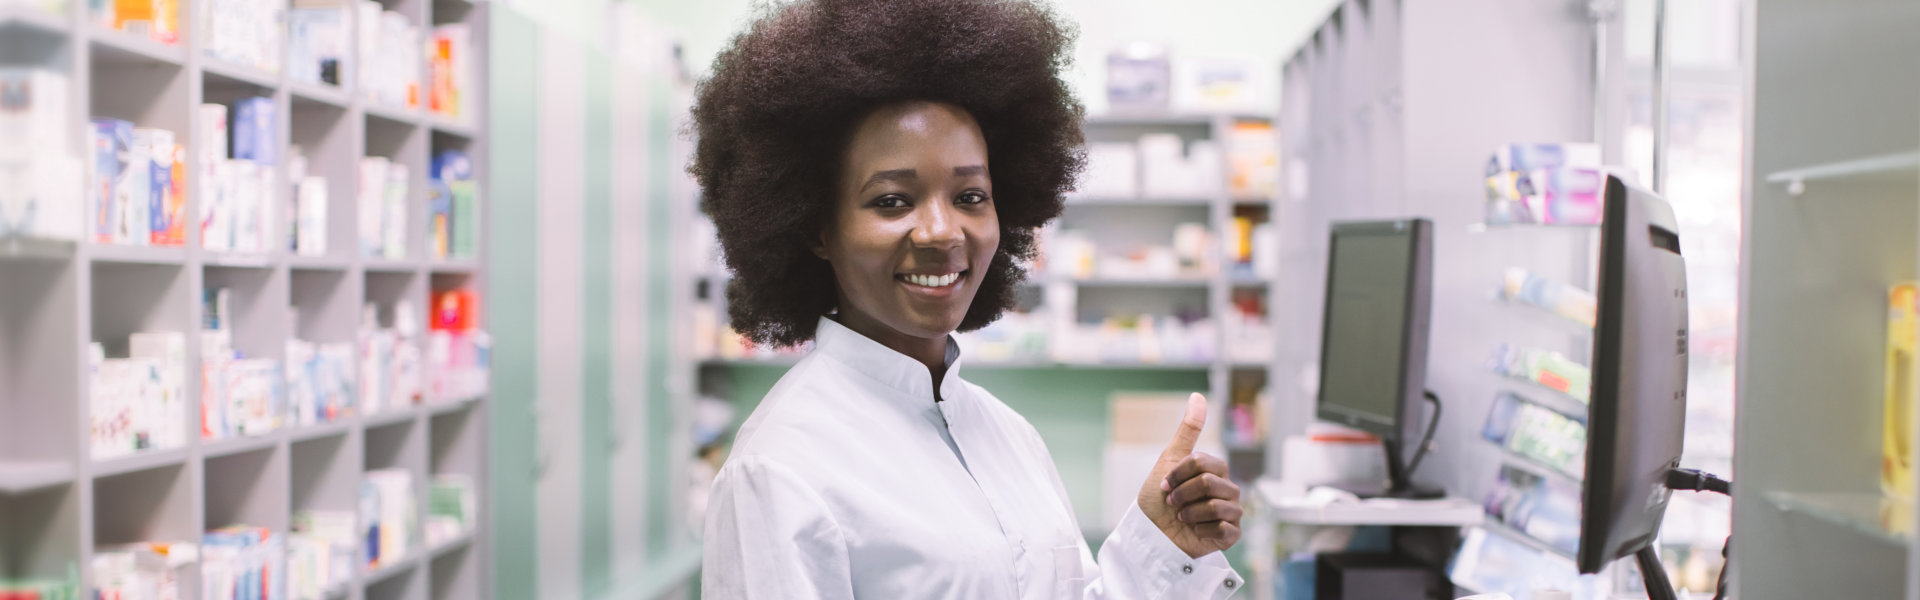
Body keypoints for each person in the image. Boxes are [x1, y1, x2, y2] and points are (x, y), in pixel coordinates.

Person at [689, 0, 1244, 597]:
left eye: (971, 196)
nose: (942, 232)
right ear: (816, 228)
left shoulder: (1008, 435)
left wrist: (1160, 547)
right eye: (892, 201)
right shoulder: (779, 470)